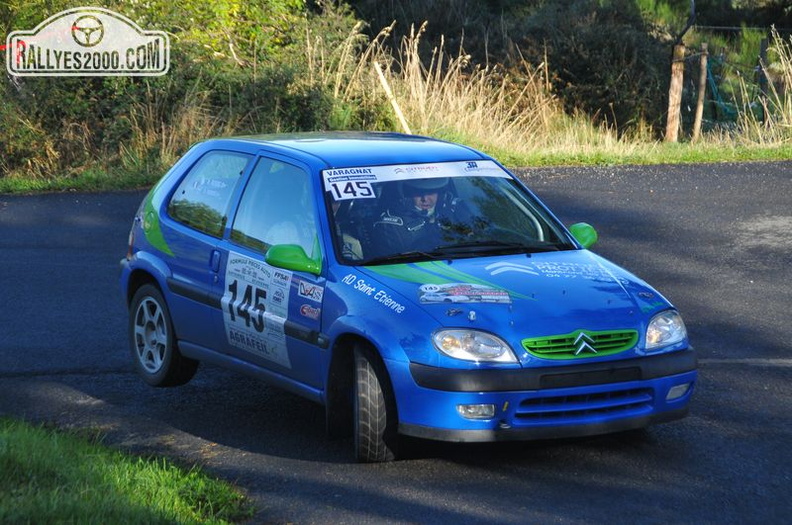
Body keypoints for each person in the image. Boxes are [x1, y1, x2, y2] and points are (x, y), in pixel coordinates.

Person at [372, 177, 472, 255]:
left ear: (440, 194)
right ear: (407, 194)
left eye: (431, 193)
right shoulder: (391, 224)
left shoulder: (454, 210)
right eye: (418, 193)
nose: (425, 199)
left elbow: (476, 237)